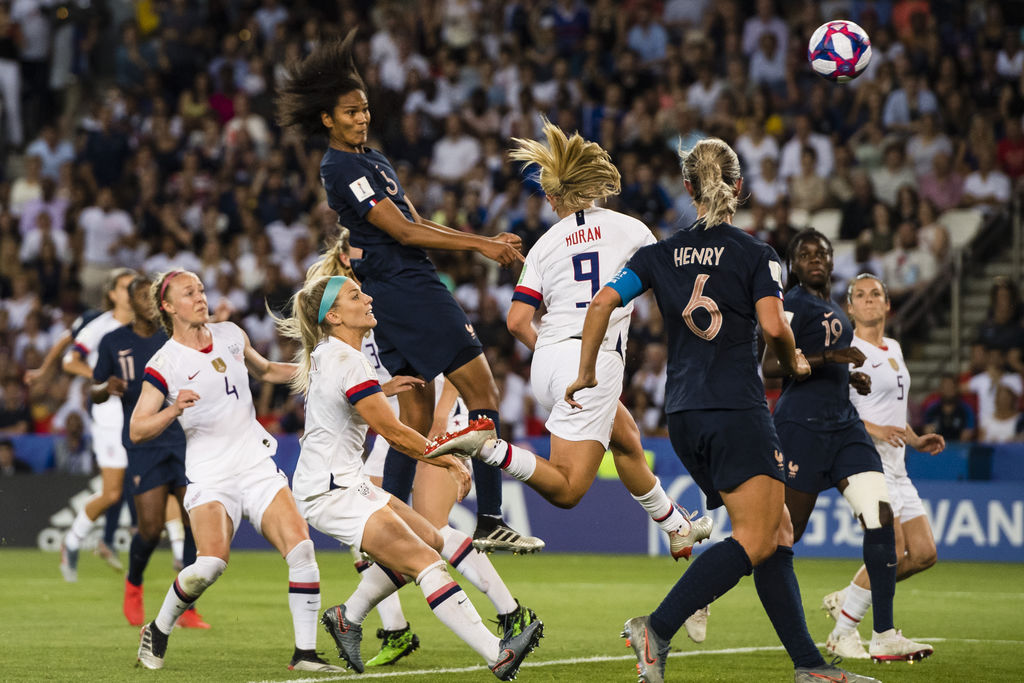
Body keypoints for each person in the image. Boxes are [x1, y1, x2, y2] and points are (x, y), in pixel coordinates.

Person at [566, 138, 874, 683]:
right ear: (737, 186)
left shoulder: (657, 254)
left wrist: (587, 371)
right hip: (735, 406)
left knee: (776, 530)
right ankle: (656, 629)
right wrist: (794, 362)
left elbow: (601, 304)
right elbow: (776, 327)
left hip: (683, 414)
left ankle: (808, 665)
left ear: (688, 188)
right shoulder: (757, 254)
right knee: (757, 538)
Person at [275, 30, 541, 553]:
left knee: (415, 414)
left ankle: (380, 531)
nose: (361, 117)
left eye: (365, 108)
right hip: (405, 287)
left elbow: (416, 222)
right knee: (481, 390)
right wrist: (483, 245)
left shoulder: (372, 159)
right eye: (350, 111)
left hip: (398, 287)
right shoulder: (342, 166)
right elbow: (401, 232)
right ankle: (489, 516)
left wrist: (473, 240)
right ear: (327, 118)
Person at [461, 119, 711, 564]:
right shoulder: (631, 229)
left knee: (628, 439)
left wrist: (554, 358)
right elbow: (671, 295)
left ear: (554, 196)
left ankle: (676, 527)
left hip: (549, 360)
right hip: (592, 363)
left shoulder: (543, 245)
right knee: (570, 490)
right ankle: (488, 446)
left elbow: (518, 321)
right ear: (594, 188)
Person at [276, 274, 543, 679]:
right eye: (355, 295)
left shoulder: (333, 353)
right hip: (332, 491)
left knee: (432, 539)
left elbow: (342, 398)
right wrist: (448, 460)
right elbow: (395, 432)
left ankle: (348, 616)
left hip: (343, 483)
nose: (367, 297)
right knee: (426, 562)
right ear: (333, 315)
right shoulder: (346, 359)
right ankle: (498, 655)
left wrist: (381, 387)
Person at [131, 270, 339, 673]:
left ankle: (305, 654)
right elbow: (138, 428)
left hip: (255, 463)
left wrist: (329, 373)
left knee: (303, 551)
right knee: (210, 565)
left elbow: (264, 371)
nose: (200, 297)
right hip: (210, 475)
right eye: (188, 293)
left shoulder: (229, 332)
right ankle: (158, 628)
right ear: (168, 306)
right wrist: (173, 409)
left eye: (202, 289)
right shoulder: (165, 363)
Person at [764, 230, 934, 663]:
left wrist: (846, 376)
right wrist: (831, 362)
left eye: (822, 252)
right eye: (805, 254)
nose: (815, 259)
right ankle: (707, 590)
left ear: (832, 259)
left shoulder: (833, 310)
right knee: (779, 535)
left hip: (843, 432)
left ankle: (883, 633)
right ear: (793, 264)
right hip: (801, 429)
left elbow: (828, 372)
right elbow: (770, 366)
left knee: (881, 521)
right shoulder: (792, 305)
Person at [821, 274, 946, 659]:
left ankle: (850, 594)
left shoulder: (893, 347)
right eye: (860, 295)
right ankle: (846, 630)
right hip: (865, 460)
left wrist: (915, 438)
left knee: (923, 553)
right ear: (850, 307)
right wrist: (873, 428)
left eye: (876, 294)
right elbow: (835, 408)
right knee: (892, 546)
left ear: (888, 304)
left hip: (898, 465)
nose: (870, 299)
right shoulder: (847, 349)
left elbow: (892, 411)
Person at [91, 274, 207, 629]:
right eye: (139, 295)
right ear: (130, 300)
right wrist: (103, 388)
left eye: (149, 295)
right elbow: (93, 392)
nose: (145, 300)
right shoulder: (114, 341)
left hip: (184, 438)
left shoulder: (171, 339)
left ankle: (186, 606)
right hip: (144, 444)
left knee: (192, 522)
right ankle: (134, 584)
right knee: (151, 528)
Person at [60, 268, 138, 580]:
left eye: (135, 287)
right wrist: (99, 378)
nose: (131, 292)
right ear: (112, 294)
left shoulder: (144, 327)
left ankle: (118, 542)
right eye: (125, 287)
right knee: (111, 493)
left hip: (139, 415)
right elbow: (70, 360)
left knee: (141, 484)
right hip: (108, 417)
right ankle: (72, 542)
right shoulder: (100, 327)